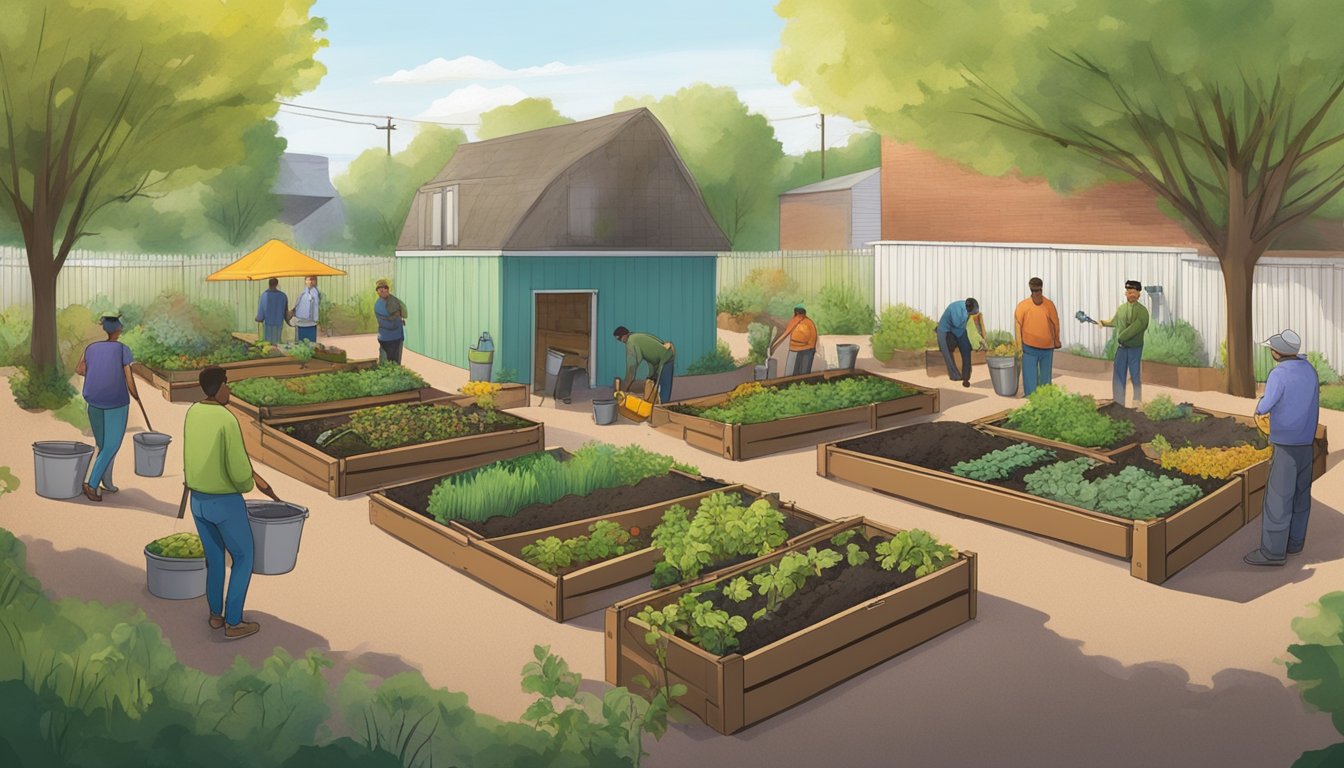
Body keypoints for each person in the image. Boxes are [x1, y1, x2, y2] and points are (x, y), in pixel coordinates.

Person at [183, 366, 280, 639]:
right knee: (243, 557)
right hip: (225, 502)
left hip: (198, 500)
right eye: (227, 384)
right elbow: (239, 471)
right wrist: (247, 485)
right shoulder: (226, 420)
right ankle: (234, 622)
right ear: (217, 388)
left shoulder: (193, 413)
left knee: (214, 559)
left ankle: (216, 615)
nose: (230, 389)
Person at [1244, 330, 1320, 566]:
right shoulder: (1309, 370)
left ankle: (1273, 552)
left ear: (1277, 352)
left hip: (1285, 442)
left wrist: (1258, 408)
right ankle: (1295, 542)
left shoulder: (1279, 374)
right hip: (1306, 441)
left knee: (1278, 498)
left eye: (1271, 349)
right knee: (1300, 495)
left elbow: (1267, 404)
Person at [75, 314, 141, 502]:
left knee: (103, 446)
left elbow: (79, 369)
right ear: (118, 331)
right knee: (111, 446)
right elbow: (129, 378)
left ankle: (107, 482)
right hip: (116, 403)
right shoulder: (122, 350)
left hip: (94, 401)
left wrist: (98, 372)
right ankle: (92, 484)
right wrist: (135, 395)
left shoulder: (91, 348)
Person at [1097, 280, 1150, 406]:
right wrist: (1103, 322)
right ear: (1125, 293)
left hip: (1135, 348)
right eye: (1129, 292)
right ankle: (1118, 402)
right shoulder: (1121, 309)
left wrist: (1121, 337)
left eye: (1134, 292)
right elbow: (1115, 321)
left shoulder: (1143, 312)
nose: (1131, 294)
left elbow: (1135, 328)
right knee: (1119, 374)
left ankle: (1137, 401)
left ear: (1139, 294)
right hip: (1122, 349)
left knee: (1135, 374)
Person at [1014, 277, 1062, 396]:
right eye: (1033, 291)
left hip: (1047, 347)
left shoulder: (1049, 305)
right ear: (1030, 290)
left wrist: (1056, 341)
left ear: (1041, 289)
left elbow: (1056, 324)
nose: (1035, 294)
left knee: (1045, 378)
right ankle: (1030, 399)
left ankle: (1045, 399)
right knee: (1030, 377)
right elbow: (1017, 326)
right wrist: (1019, 346)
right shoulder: (1023, 306)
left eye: (1038, 291)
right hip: (1029, 347)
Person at [614, 326, 676, 403]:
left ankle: (663, 406)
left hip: (666, 357)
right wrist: (651, 375)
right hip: (659, 359)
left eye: (619, 338)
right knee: (654, 383)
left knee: (664, 386)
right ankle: (658, 403)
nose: (620, 341)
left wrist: (625, 387)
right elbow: (649, 356)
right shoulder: (636, 337)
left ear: (624, 335)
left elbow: (632, 367)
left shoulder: (631, 342)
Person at [936, 298, 987, 388]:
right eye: (971, 314)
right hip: (946, 330)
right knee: (946, 351)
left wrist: (978, 340)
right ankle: (954, 375)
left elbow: (971, 329)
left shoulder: (969, 311)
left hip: (959, 330)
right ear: (968, 310)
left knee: (966, 350)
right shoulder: (955, 310)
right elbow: (957, 325)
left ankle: (966, 378)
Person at [768, 304, 819, 376]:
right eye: (798, 312)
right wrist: (773, 346)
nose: (799, 314)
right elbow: (785, 333)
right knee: (790, 373)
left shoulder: (809, 323)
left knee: (804, 373)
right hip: (794, 349)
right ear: (796, 313)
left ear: (804, 313)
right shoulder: (793, 321)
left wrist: (811, 348)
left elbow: (813, 338)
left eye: (801, 312)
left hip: (808, 350)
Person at [373, 279, 407, 364]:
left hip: (397, 338)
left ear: (388, 289)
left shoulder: (395, 301)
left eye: (385, 288)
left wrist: (397, 317)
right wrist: (396, 317)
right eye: (380, 288)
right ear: (377, 291)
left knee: (395, 363)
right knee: (386, 363)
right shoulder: (379, 305)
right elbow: (391, 323)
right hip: (386, 339)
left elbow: (404, 313)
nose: (383, 290)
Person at [255, 277, 288, 344]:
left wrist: (259, 318)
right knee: (277, 342)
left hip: (268, 323)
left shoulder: (264, 295)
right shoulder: (283, 296)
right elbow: (286, 311)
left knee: (268, 344)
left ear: (269, 284)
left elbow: (261, 312)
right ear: (276, 284)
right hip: (279, 323)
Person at [289, 275, 321, 343]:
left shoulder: (315, 293)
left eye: (312, 280)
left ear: (316, 281)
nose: (310, 282)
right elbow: (298, 305)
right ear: (305, 281)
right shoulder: (302, 293)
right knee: (302, 344)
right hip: (301, 323)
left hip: (311, 323)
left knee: (310, 344)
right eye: (308, 280)